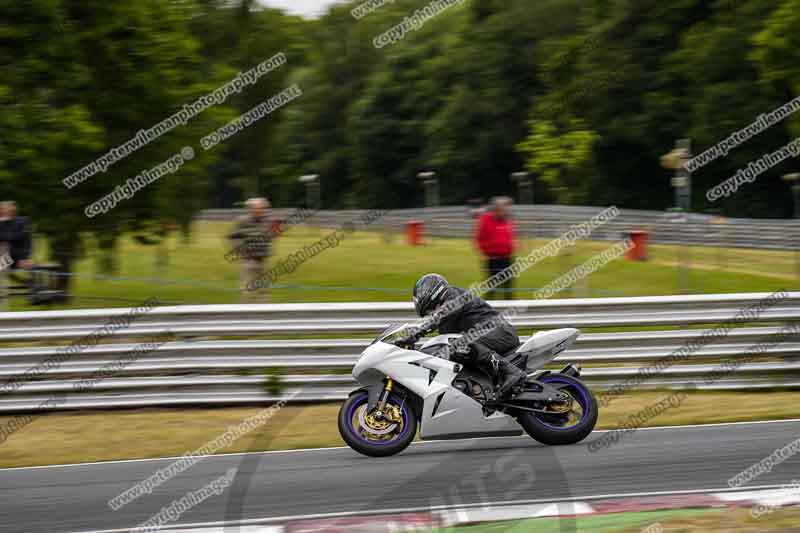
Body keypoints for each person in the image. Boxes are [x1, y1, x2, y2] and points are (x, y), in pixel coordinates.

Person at [401, 273, 527, 397]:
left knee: (461, 343)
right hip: (488, 336)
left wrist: (416, 333)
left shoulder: (452, 296)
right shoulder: (445, 320)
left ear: (431, 293)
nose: (431, 313)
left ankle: (512, 372)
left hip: (500, 332)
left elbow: (442, 314)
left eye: (430, 311)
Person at [229, 197, 272, 301]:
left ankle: (264, 313)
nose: (261, 210)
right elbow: (232, 237)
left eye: (263, 208)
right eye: (258, 208)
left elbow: (270, 238)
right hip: (248, 261)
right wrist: (241, 251)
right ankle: (244, 312)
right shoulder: (243, 221)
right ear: (251, 209)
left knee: (264, 292)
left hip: (263, 261)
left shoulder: (267, 221)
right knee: (246, 291)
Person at [475, 196, 515, 300]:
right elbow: (479, 239)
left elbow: (510, 237)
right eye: (504, 209)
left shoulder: (507, 220)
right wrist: (484, 253)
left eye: (507, 208)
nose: (506, 211)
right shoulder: (486, 220)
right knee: (492, 286)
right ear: (496, 209)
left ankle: (509, 306)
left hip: (507, 258)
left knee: (508, 286)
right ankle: (486, 308)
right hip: (493, 259)